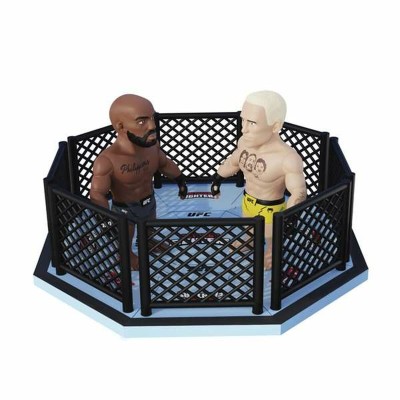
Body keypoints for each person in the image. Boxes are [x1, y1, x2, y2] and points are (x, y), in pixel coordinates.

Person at [90, 94, 187, 270]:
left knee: (150, 226)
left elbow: (165, 164)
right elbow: (97, 193)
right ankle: (126, 255)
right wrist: (105, 219)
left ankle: (149, 242)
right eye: (142, 121)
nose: (152, 126)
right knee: (126, 235)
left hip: (149, 201)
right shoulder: (107, 160)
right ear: (120, 126)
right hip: (125, 209)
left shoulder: (151, 148)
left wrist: (180, 180)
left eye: (152, 118)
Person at [211, 91, 306, 270]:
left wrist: (290, 217)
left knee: (271, 238)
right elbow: (233, 162)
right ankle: (250, 241)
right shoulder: (244, 142)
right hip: (248, 201)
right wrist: (218, 178)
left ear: (275, 126)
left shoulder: (287, 158)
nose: (244, 129)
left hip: (270, 209)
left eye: (252, 123)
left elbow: (298, 191)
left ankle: (272, 253)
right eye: (243, 120)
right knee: (249, 227)